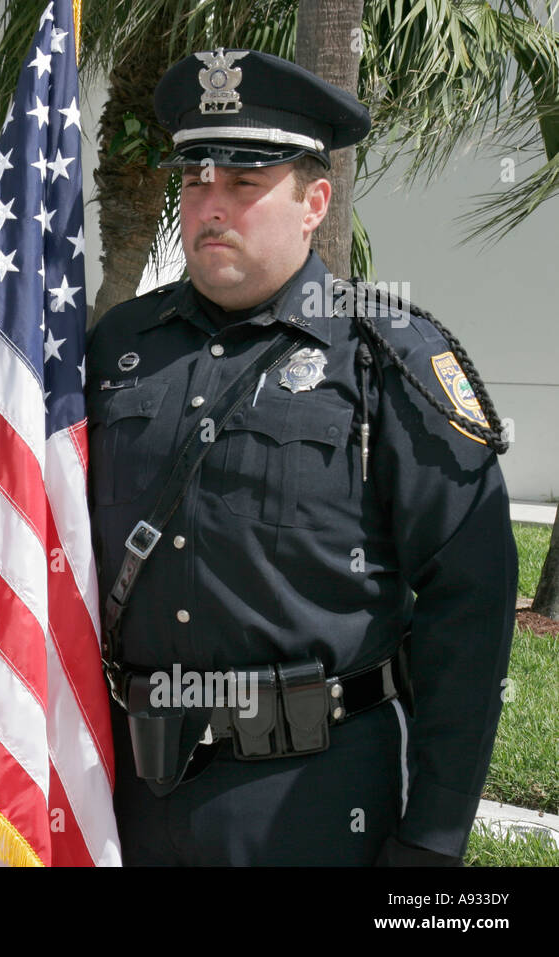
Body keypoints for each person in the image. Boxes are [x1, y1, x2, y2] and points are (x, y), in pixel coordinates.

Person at [87, 49, 516, 865]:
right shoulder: (119, 347)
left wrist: (433, 833)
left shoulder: (387, 358)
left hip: (315, 800)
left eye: (244, 186)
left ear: (315, 201)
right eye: (196, 181)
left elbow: (473, 604)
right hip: (130, 796)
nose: (210, 207)